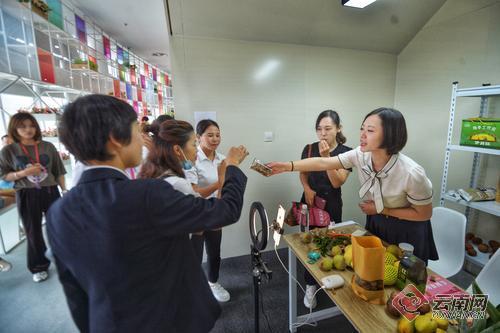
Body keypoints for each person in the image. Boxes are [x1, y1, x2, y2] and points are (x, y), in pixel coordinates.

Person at [46, 94, 248, 333]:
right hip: (168, 320)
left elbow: (76, 296)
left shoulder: (58, 212)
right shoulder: (148, 194)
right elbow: (226, 211)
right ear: (115, 139)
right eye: (136, 132)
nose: (143, 141)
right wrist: (232, 167)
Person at [268, 107, 438, 264]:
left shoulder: (412, 173)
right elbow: (322, 163)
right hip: (377, 220)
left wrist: (381, 210)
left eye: (370, 130)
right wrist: (286, 166)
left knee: (405, 281)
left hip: (406, 229)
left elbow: (424, 214)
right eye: (362, 128)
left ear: (390, 135)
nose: (363, 135)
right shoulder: (360, 155)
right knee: (373, 269)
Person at [0, 113, 67, 282]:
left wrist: (65, 190)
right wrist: (24, 173)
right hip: (26, 193)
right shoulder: (9, 150)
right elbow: (3, 175)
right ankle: (39, 267)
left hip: (51, 191)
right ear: (14, 129)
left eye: (32, 125)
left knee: (59, 227)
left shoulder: (48, 147)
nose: (28, 129)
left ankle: (65, 260)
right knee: (33, 232)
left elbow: (58, 171)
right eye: (23, 126)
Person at [300, 110, 352, 309]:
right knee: (308, 246)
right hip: (310, 203)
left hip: (331, 206)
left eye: (328, 129)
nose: (323, 133)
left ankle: (330, 280)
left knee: (330, 245)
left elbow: (338, 182)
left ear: (338, 129)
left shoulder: (347, 152)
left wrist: (327, 157)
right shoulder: (309, 149)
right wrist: (306, 188)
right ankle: (310, 285)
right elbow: (303, 173)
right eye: (319, 129)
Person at [185, 119, 231, 302]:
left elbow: (223, 189)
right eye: (209, 135)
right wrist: (218, 182)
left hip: (214, 211)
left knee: (214, 251)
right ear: (198, 137)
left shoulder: (221, 160)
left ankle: (213, 282)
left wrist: (220, 207)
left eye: (217, 135)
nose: (215, 139)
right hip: (195, 213)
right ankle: (192, 287)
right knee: (193, 254)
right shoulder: (190, 160)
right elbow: (193, 191)